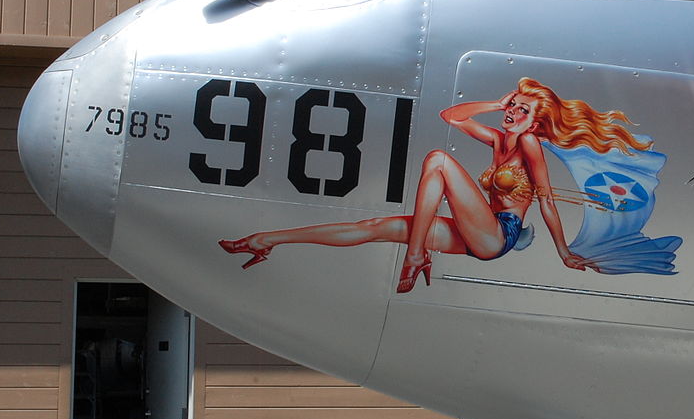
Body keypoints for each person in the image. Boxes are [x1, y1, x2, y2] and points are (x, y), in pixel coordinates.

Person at [218, 78, 652, 293]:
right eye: (512, 106)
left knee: (439, 162)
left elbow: (547, 204)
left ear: (535, 122)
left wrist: (564, 253)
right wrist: (495, 102)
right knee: (377, 225)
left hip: (500, 233)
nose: (511, 114)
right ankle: (265, 239)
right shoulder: (498, 138)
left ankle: (415, 253)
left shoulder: (532, 148)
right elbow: (452, 117)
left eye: (520, 111)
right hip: (475, 229)